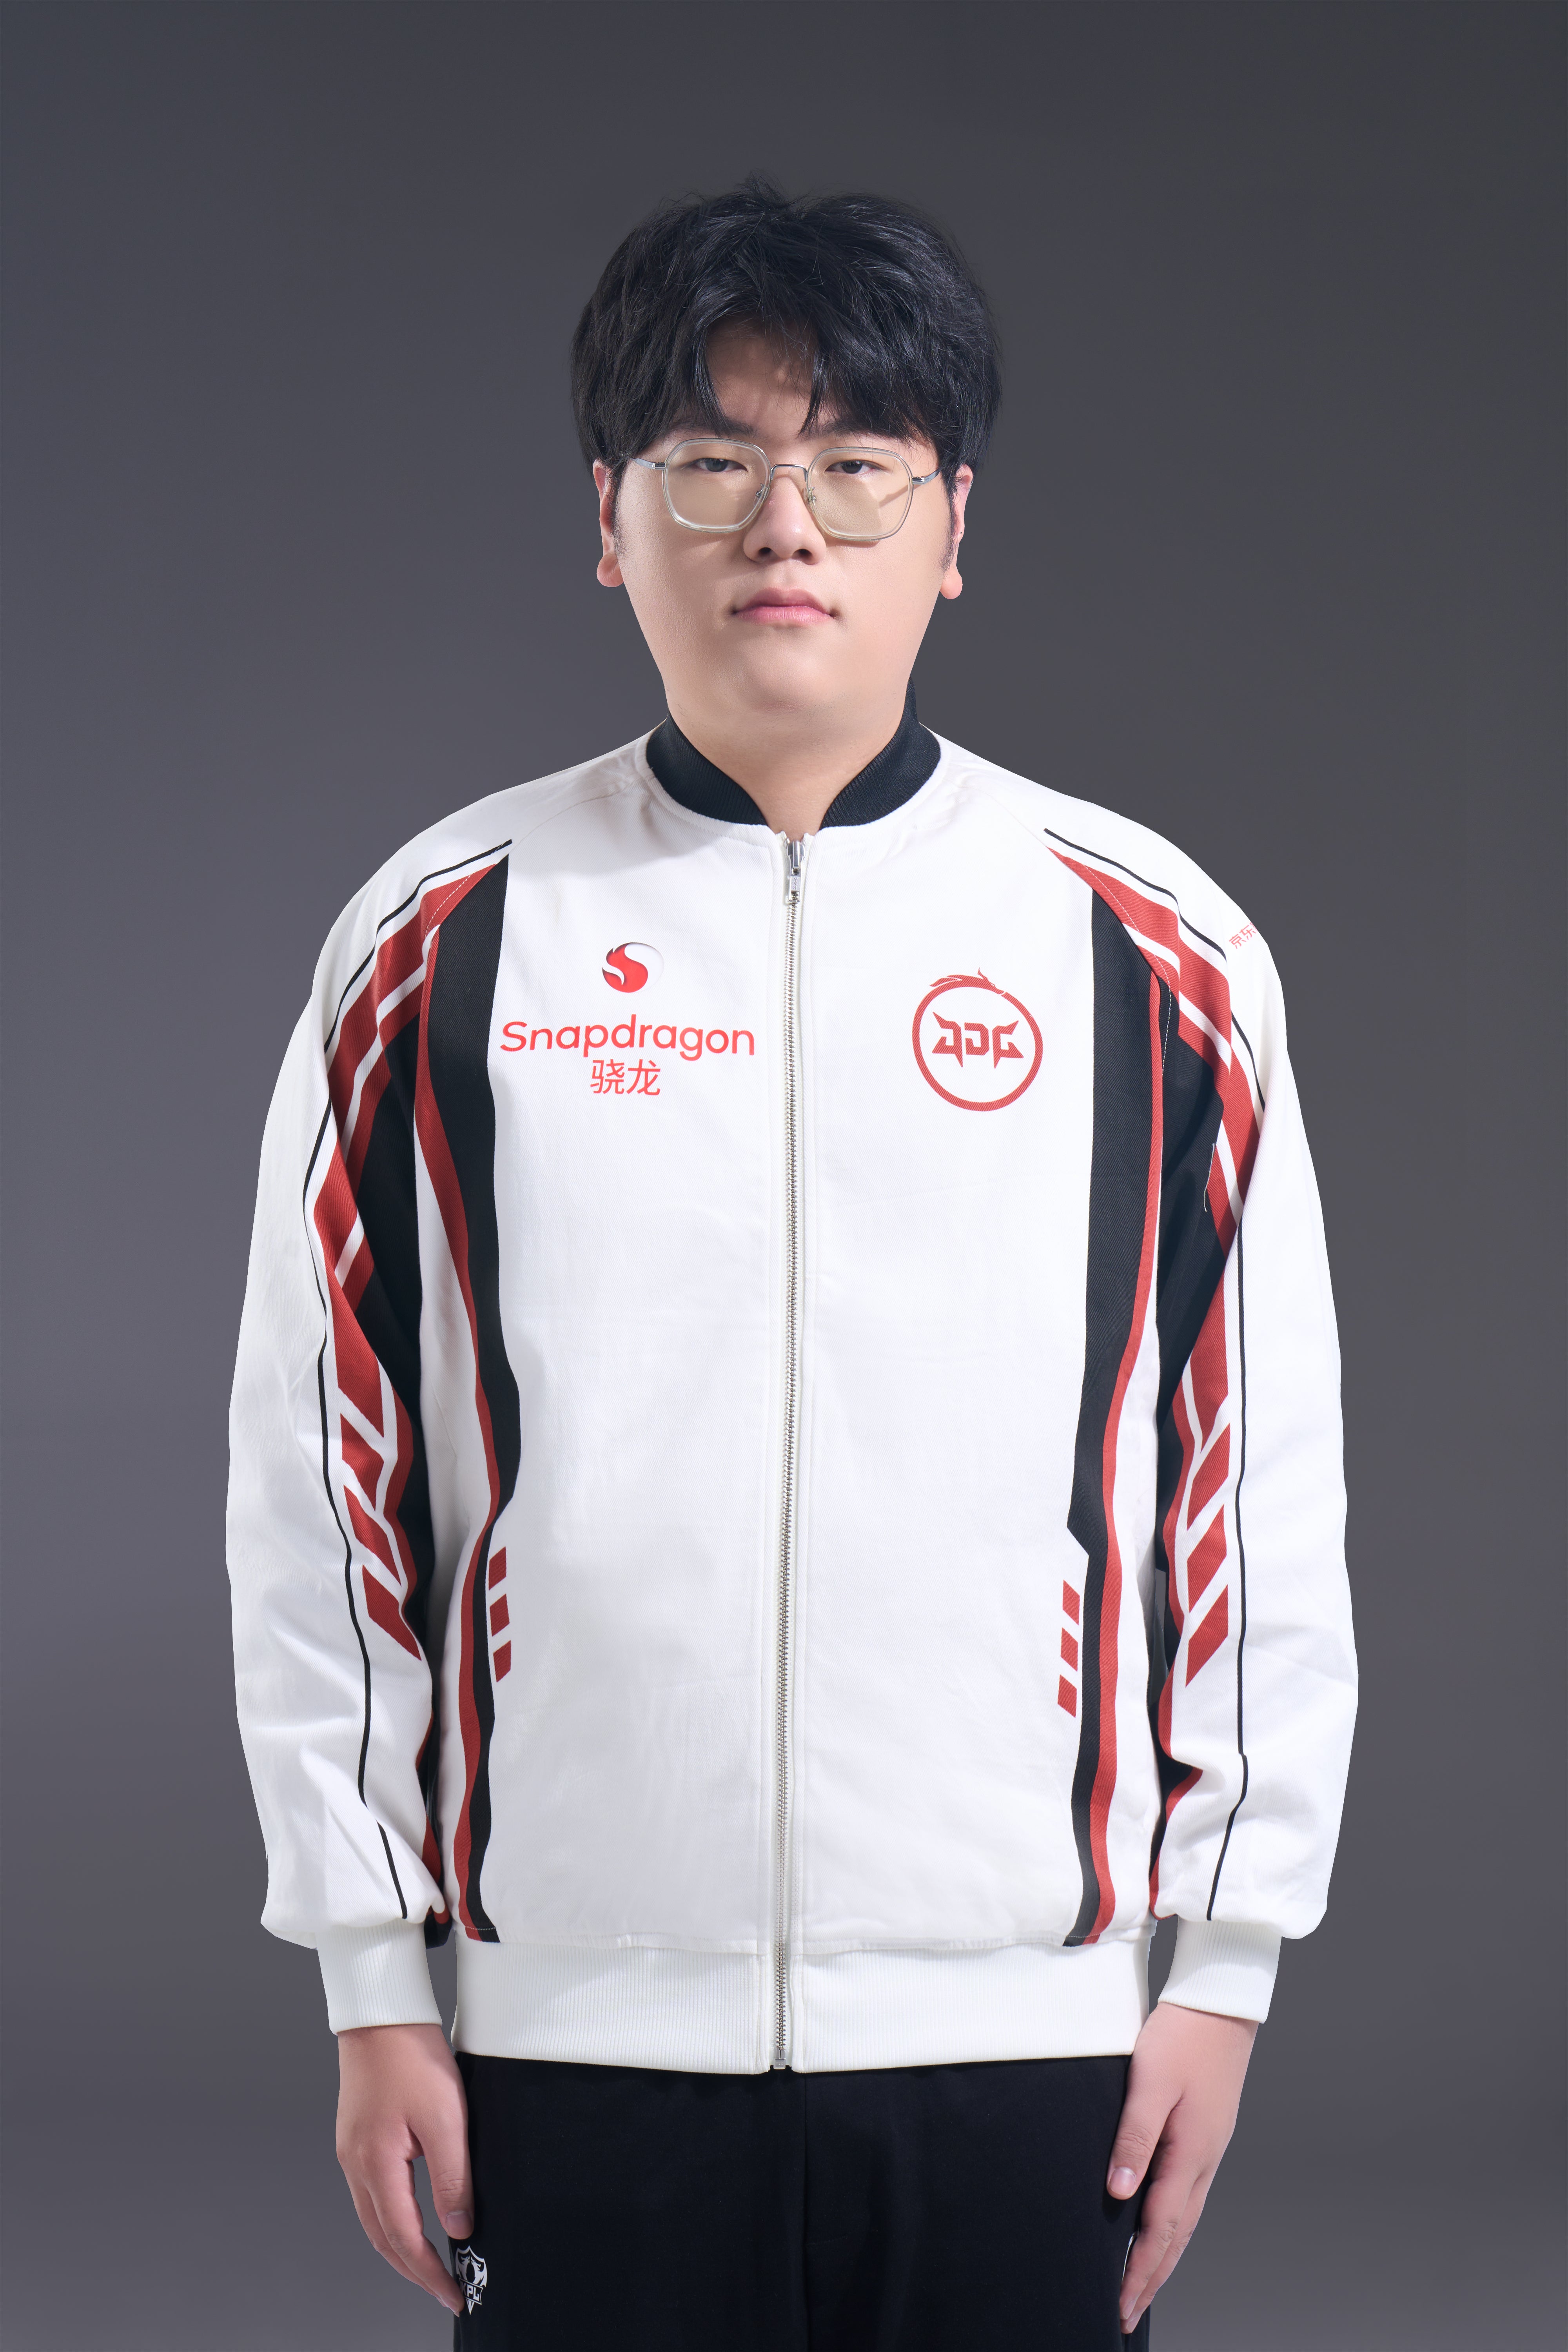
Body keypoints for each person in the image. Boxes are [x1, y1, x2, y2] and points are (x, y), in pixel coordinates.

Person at [226, 178, 1356, 2350]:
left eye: (854, 467)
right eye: (711, 463)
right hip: (568, 2046)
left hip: (1029, 2043)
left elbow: (1251, 1488)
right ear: (609, 515)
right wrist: (375, 1978)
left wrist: (1221, 1966)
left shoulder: (1156, 956)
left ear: (953, 524)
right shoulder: (439, 943)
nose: (784, 529)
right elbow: (325, 1496)